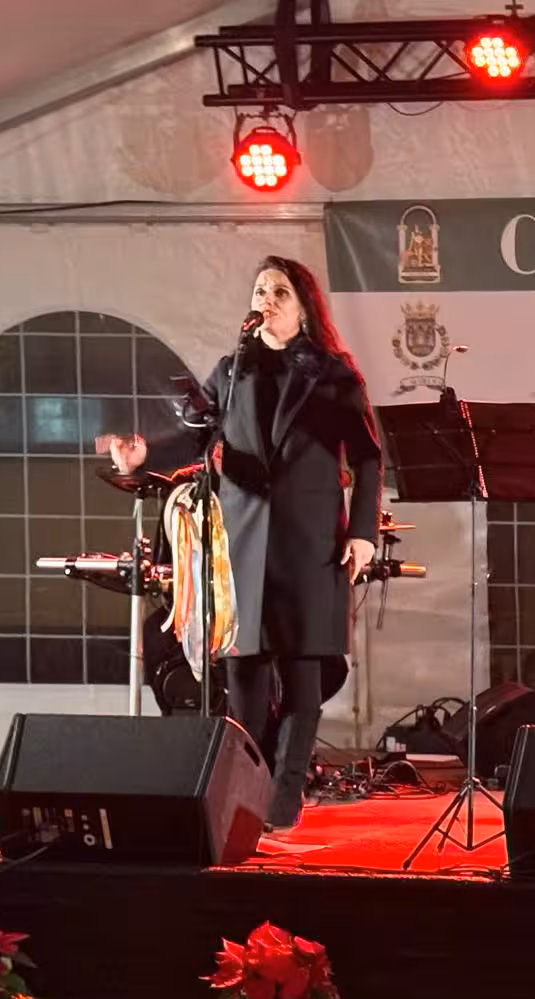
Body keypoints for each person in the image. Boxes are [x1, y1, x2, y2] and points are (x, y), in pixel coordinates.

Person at [99, 256, 382, 831]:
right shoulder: (232, 371)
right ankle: (247, 801)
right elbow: (197, 439)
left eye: (279, 292)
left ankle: (283, 804)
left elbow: (369, 458)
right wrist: (143, 458)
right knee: (244, 682)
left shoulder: (333, 376)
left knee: (304, 682)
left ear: (304, 306)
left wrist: (363, 534)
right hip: (243, 544)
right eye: (259, 291)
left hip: (310, 542)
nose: (266, 301)